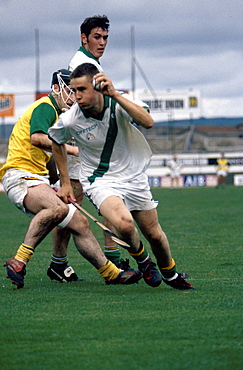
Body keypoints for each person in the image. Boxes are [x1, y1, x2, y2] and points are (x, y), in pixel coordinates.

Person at [48, 63, 195, 290]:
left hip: (134, 178)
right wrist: (65, 182)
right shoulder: (70, 119)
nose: (76, 96)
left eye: (82, 89)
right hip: (100, 181)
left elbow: (147, 122)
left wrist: (115, 94)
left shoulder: (119, 101)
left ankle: (170, 273)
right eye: (74, 90)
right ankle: (144, 261)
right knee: (124, 224)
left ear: (98, 87)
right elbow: (56, 140)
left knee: (155, 235)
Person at [0, 68, 142, 289]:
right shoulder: (46, 107)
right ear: (56, 89)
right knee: (58, 209)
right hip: (20, 176)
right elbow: (37, 139)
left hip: (36, 178)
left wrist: (56, 179)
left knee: (81, 223)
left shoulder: (58, 117)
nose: (73, 96)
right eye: (69, 90)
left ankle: (111, 273)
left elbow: (44, 154)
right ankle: (19, 261)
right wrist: (73, 151)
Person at [52, 14, 125, 277]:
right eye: (97, 37)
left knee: (84, 200)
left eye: (105, 37)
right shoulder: (84, 63)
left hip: (85, 140)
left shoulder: (90, 61)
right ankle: (60, 263)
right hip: (82, 139)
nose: (103, 42)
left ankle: (59, 264)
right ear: (84, 38)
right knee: (77, 202)